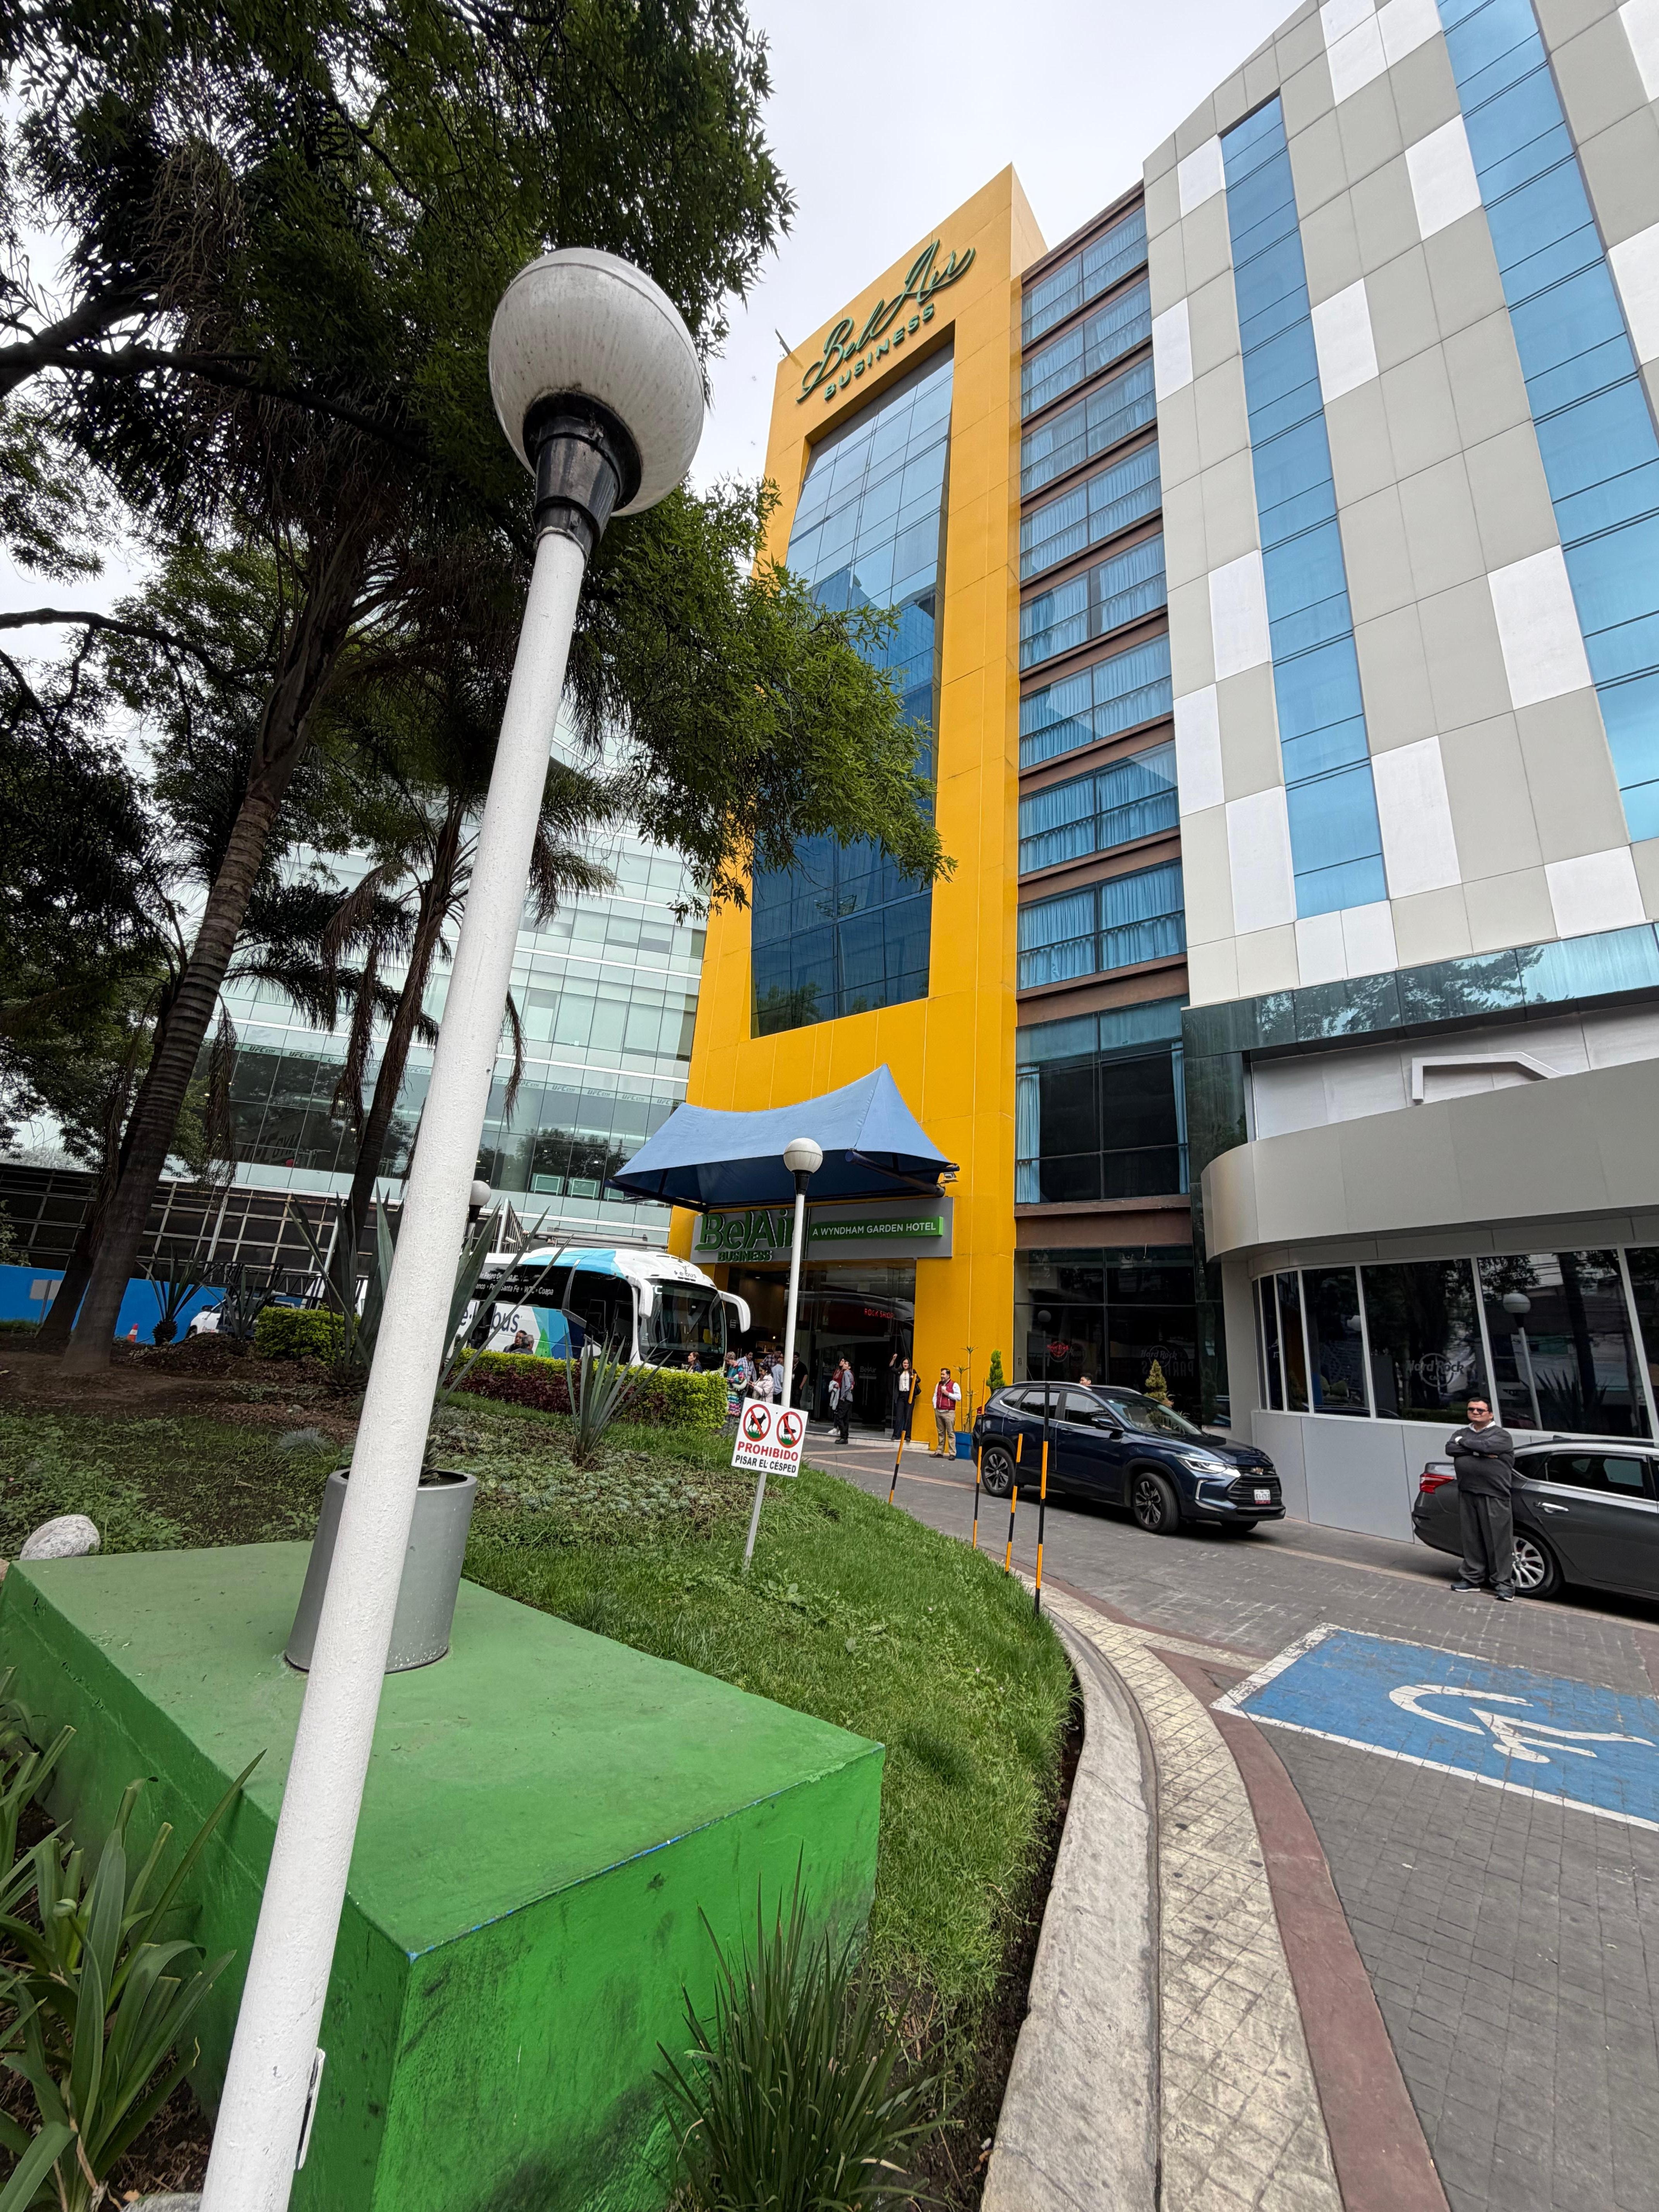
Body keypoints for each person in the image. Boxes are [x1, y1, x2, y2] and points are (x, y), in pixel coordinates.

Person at [1446, 1395, 1516, 1600]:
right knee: (1471, 1540)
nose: (1475, 1413)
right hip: (1468, 1493)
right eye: (1471, 1410)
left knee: (1498, 1542)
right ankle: (1472, 1579)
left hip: (1494, 1494)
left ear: (1491, 1414)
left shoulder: (1502, 1436)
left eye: (1480, 1410)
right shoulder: (1461, 1432)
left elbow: (1487, 1447)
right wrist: (1477, 1450)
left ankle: (1504, 1585)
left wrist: (1466, 1446)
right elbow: (1450, 1448)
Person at [933, 1365, 961, 1456]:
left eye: (944, 1374)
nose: (942, 1376)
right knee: (941, 1433)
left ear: (948, 1375)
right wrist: (935, 1407)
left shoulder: (954, 1385)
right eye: (941, 1374)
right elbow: (935, 1395)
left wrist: (948, 1394)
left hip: (949, 1412)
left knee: (950, 1433)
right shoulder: (939, 1384)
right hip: (939, 1411)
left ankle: (952, 1453)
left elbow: (959, 1397)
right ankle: (940, 1451)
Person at [829, 1357, 855, 1445]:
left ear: (849, 1367)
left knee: (840, 1418)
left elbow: (848, 1386)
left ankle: (843, 1437)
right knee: (846, 1419)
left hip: (845, 1399)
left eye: (846, 1364)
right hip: (849, 1399)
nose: (844, 1365)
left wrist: (843, 1396)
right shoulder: (849, 1374)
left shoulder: (847, 1373)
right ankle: (845, 1437)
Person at [892, 1358, 916, 1442]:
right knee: (899, 1416)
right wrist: (894, 1359)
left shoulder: (912, 1372)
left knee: (908, 1417)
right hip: (901, 1396)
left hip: (909, 1395)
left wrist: (914, 1378)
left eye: (907, 1363)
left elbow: (918, 1380)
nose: (906, 1365)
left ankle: (908, 1436)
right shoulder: (900, 1372)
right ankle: (896, 1435)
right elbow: (892, 1369)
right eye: (904, 1363)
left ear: (909, 1364)